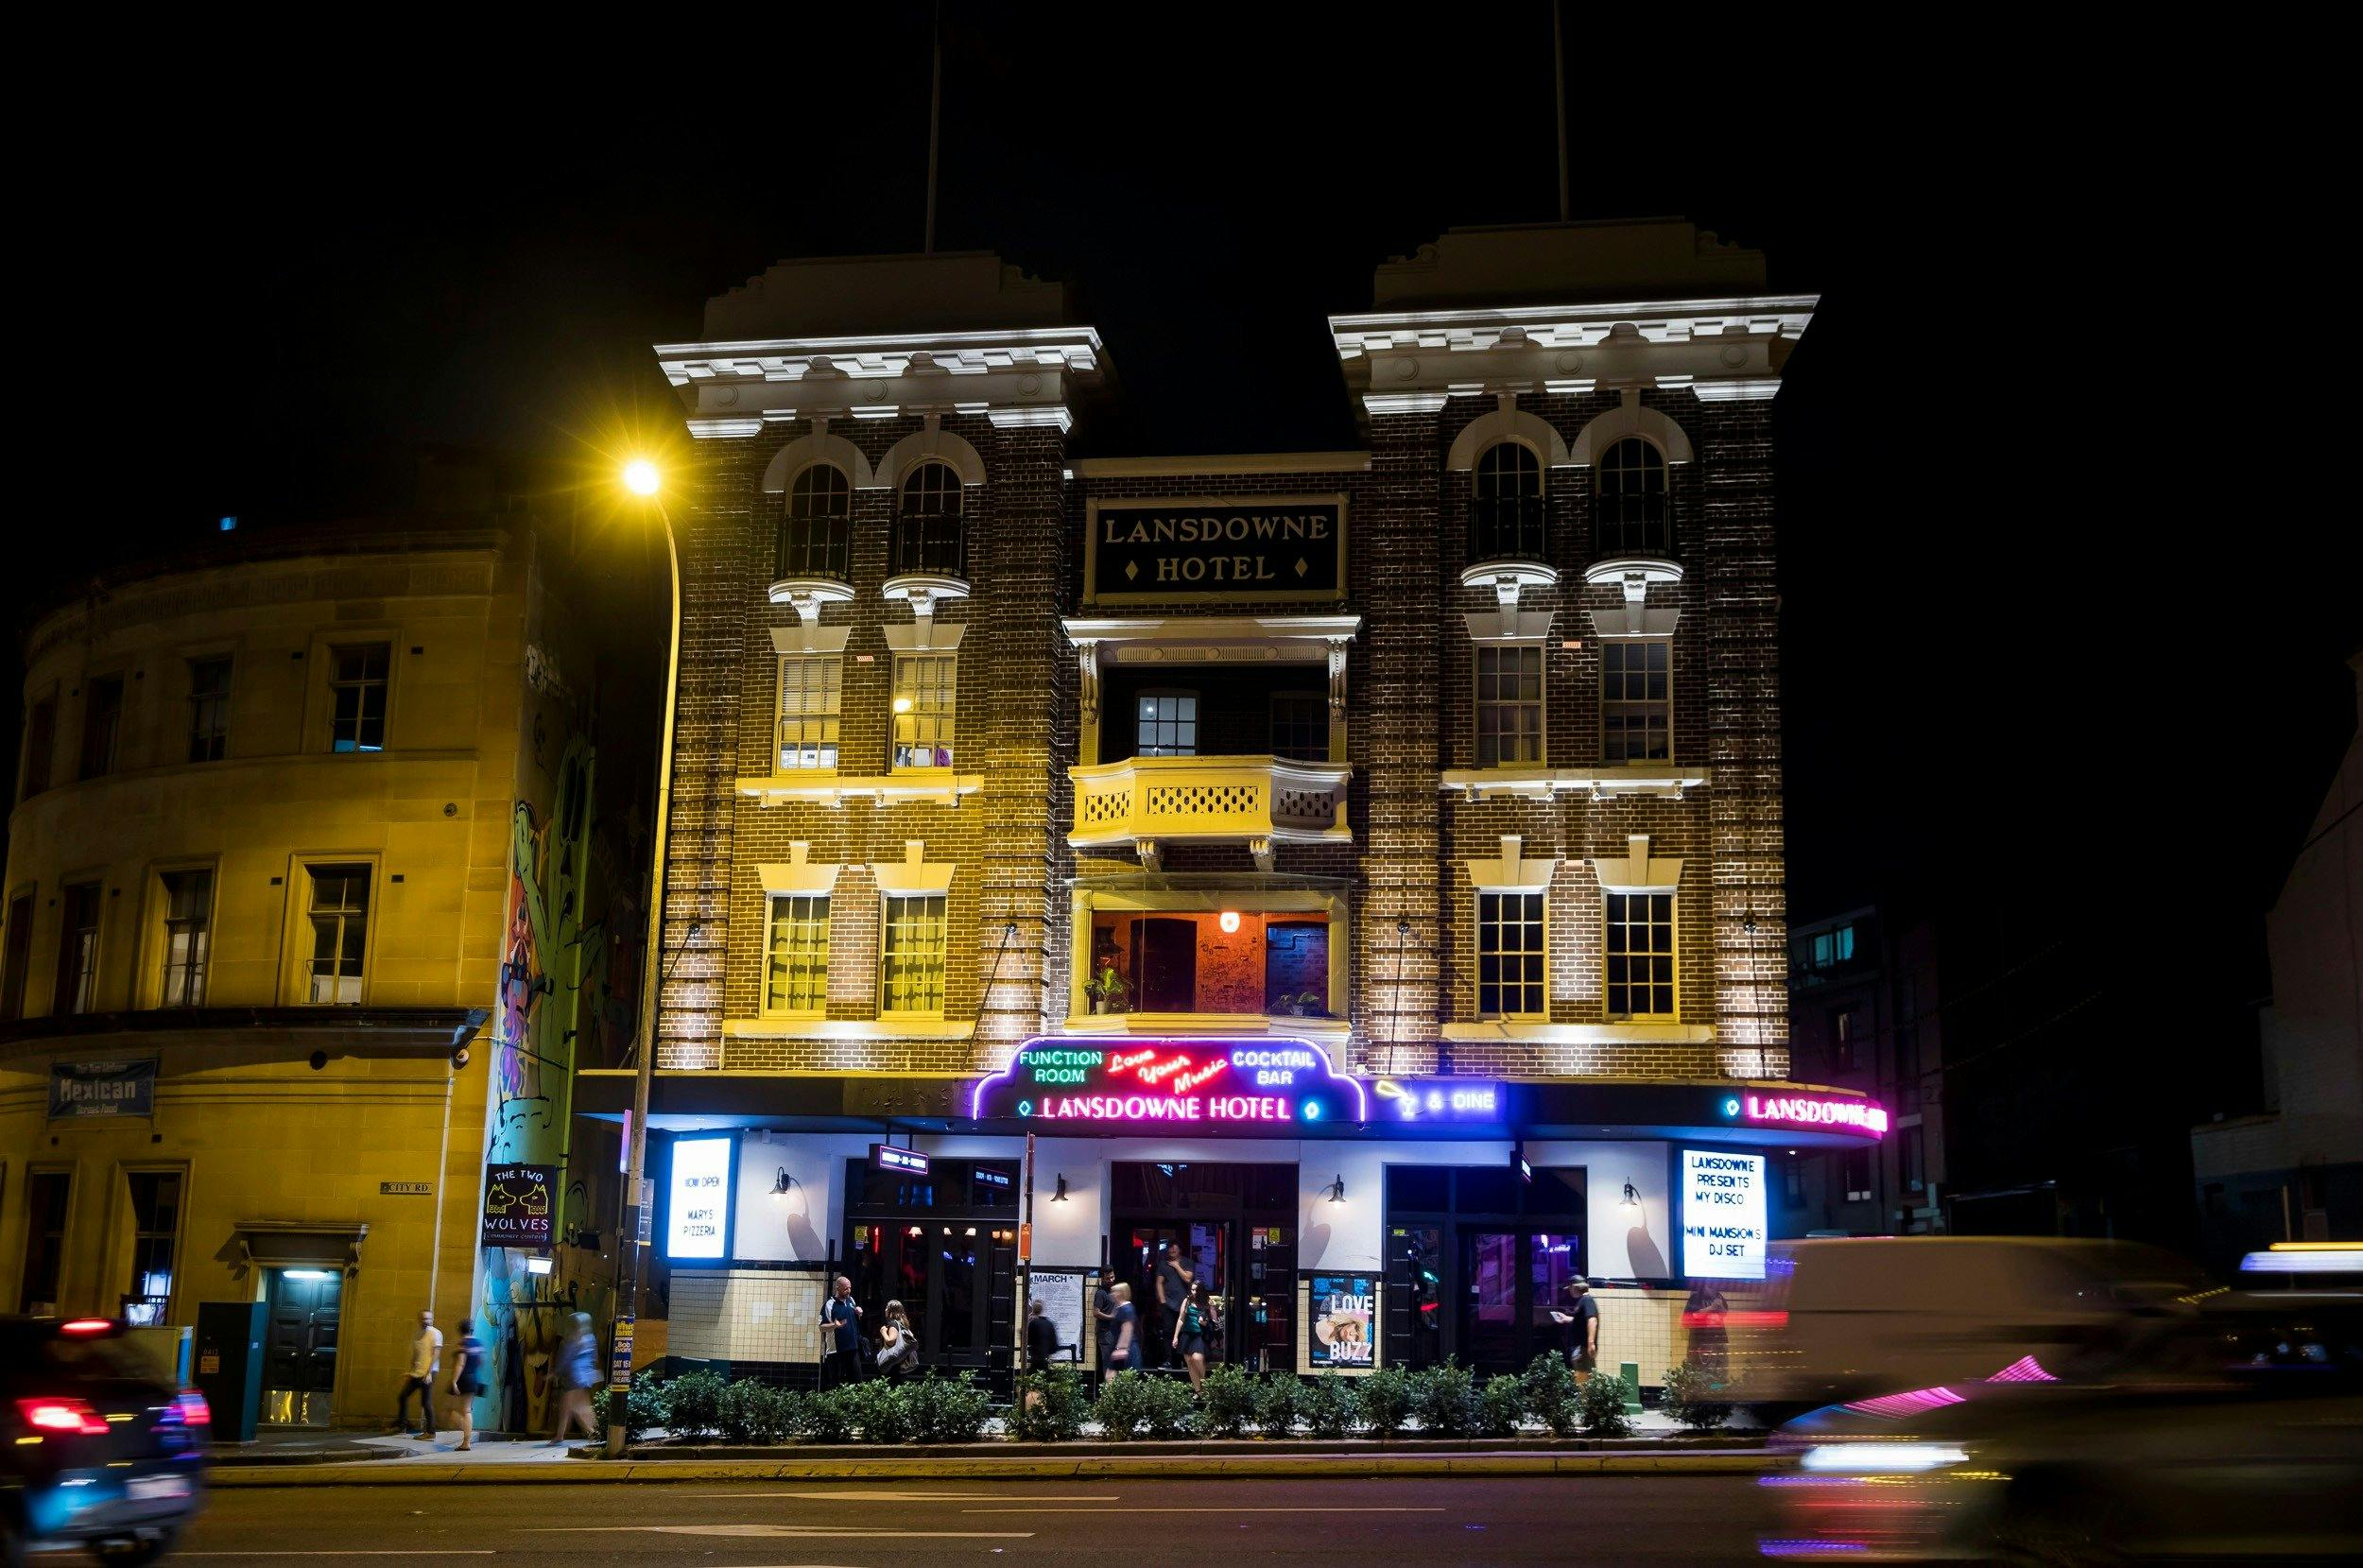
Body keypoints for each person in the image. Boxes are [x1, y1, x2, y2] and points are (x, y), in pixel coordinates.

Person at [548, 1312, 599, 1444]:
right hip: (585, 1377)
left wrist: (555, 1373)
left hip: (574, 1377)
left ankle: (594, 1433)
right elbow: (594, 1357)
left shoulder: (575, 1340)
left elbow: (567, 1359)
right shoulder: (590, 1338)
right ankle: (561, 1435)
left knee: (576, 1408)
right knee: (573, 1407)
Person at [390, 1308, 441, 1439]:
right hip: (416, 1373)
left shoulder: (435, 1333)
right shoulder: (417, 1333)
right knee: (402, 1396)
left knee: (426, 1403)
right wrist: (410, 1372)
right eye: (424, 1318)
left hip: (428, 1373)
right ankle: (402, 1424)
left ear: (432, 1319)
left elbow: (436, 1353)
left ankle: (430, 1432)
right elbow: (416, 1355)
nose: (426, 1321)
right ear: (419, 1319)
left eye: (429, 1318)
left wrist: (429, 1372)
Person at [446, 1317, 487, 1452]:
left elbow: (460, 1363)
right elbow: (481, 1362)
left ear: (460, 1330)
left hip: (464, 1378)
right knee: (466, 1409)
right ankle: (466, 1438)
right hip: (474, 1377)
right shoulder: (478, 1343)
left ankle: (466, 1441)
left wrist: (454, 1381)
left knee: (459, 1411)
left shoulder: (463, 1343)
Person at [820, 1275, 865, 1389]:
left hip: (853, 1349)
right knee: (838, 1386)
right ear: (838, 1288)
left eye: (850, 1288)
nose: (848, 1291)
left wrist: (858, 1313)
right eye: (845, 1289)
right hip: (836, 1351)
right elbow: (821, 1327)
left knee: (857, 1384)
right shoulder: (829, 1304)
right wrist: (834, 1325)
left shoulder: (851, 1300)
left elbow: (853, 1321)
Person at [1683, 1282, 1729, 1385]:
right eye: (1711, 1287)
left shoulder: (1719, 1296)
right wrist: (1712, 1308)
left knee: (1720, 1371)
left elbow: (1724, 1314)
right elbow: (1691, 1318)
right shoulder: (1695, 1298)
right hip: (1701, 1341)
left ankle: (1717, 1392)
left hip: (1718, 1341)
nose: (1714, 1290)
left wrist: (1720, 1307)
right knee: (1700, 1371)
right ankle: (1703, 1392)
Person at [1153, 1245, 1188, 1370]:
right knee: (1168, 1332)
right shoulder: (1163, 1264)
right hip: (1168, 1304)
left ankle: (1182, 1360)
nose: (1172, 1250)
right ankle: (1168, 1359)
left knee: (1183, 1332)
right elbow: (1159, 1282)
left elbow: (1188, 1279)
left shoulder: (1187, 1262)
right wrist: (1162, 1301)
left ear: (1180, 1249)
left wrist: (1177, 1266)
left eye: (1175, 1248)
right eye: (1170, 1248)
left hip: (1184, 1304)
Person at [1172, 1279, 1210, 1393]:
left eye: (1196, 1290)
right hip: (1187, 1334)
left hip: (1199, 1334)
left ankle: (1205, 1384)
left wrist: (1205, 1322)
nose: (1194, 1292)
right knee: (1189, 1361)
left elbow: (1213, 1320)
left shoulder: (1206, 1302)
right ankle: (1198, 1390)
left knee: (1197, 1358)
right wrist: (1175, 1336)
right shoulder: (1187, 1300)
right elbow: (1181, 1319)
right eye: (1192, 1290)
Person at [1562, 1277, 1602, 1380]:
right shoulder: (1583, 1300)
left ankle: (1585, 1396)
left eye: (1570, 1288)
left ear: (1575, 1287)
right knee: (1582, 1379)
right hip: (1581, 1348)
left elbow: (1592, 1320)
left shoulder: (1587, 1300)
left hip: (1582, 1349)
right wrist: (1566, 1319)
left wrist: (1590, 1343)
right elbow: (1582, 1321)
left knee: (1583, 1380)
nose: (1570, 1291)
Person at [875, 1299, 920, 1381]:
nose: (885, 1310)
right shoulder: (903, 1324)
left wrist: (883, 1332)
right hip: (900, 1364)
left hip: (892, 1365)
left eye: (886, 1308)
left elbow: (890, 1341)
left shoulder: (894, 1324)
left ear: (890, 1311)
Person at [1105, 1282, 1138, 1383]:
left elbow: (1127, 1329)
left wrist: (1121, 1348)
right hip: (1119, 1347)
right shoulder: (1119, 1308)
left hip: (1125, 1348)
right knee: (1111, 1377)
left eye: (1115, 1292)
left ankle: (1111, 1398)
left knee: (1111, 1377)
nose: (1112, 1294)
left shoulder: (1126, 1308)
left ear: (1122, 1293)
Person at [1094, 1277, 1117, 1373]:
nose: (1111, 1280)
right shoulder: (1101, 1293)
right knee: (1108, 1361)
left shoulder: (1112, 1292)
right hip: (1105, 1331)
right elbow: (1096, 1313)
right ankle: (1108, 1387)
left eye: (1112, 1277)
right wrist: (1111, 1317)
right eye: (1108, 1278)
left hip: (1112, 1331)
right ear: (1102, 1278)